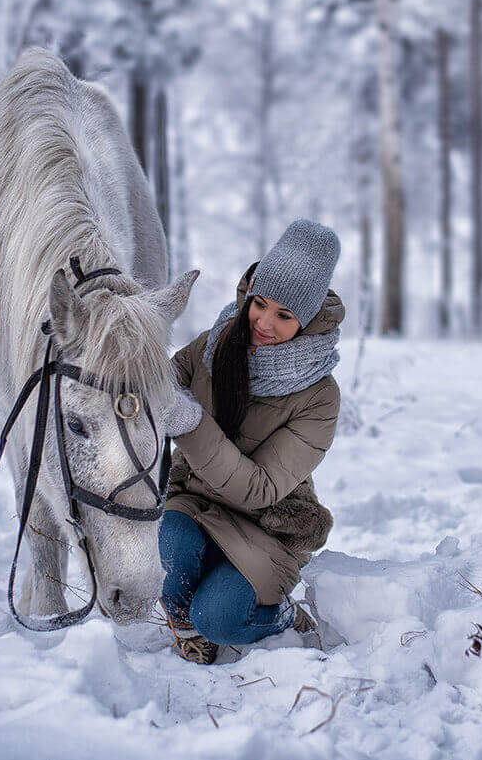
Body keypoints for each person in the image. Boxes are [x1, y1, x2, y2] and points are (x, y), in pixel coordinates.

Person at [159, 219, 343, 664]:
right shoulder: (216, 342)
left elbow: (259, 487)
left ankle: (283, 617)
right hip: (198, 502)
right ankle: (184, 620)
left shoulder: (320, 396)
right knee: (170, 541)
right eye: (260, 304)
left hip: (268, 526)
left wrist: (187, 419)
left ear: (309, 318)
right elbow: (161, 380)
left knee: (218, 618)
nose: (263, 322)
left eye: (285, 315)